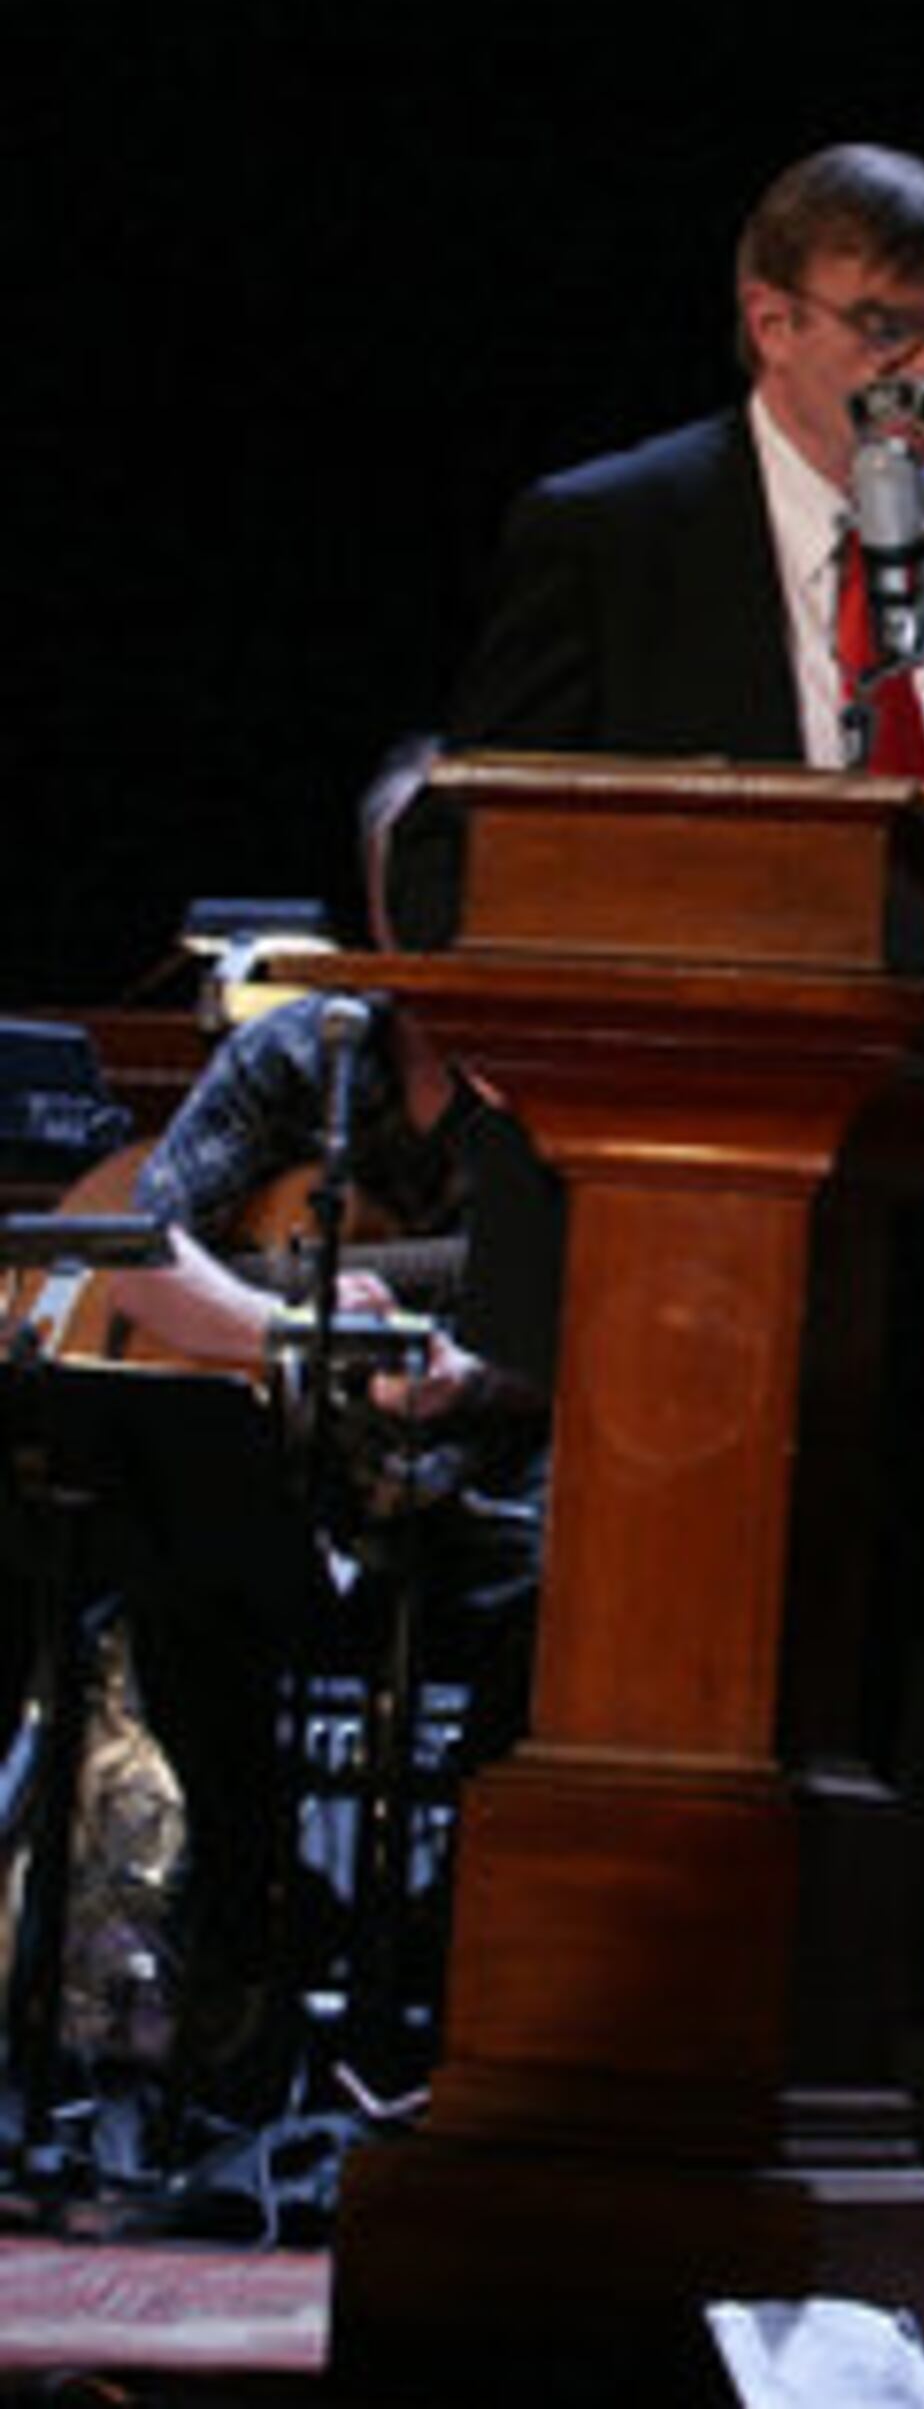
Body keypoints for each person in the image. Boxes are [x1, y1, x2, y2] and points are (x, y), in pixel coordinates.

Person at [436, 139, 924, 2186]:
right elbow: (477, 849)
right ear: (770, 319)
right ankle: (603, 2157)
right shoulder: (611, 531)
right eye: (889, 329)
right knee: (665, 1716)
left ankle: (914, 2201)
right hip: (676, 1246)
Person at [104, 737, 546, 2125]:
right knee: (180, 1575)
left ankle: (443, 1972)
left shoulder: (567, 1082)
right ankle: (252, 1912)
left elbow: (625, 1315)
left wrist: (480, 1375)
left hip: (489, 1516)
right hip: (308, 1495)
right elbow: (136, 1243)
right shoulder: (312, 1052)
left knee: (573, 1627)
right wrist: (285, 1330)